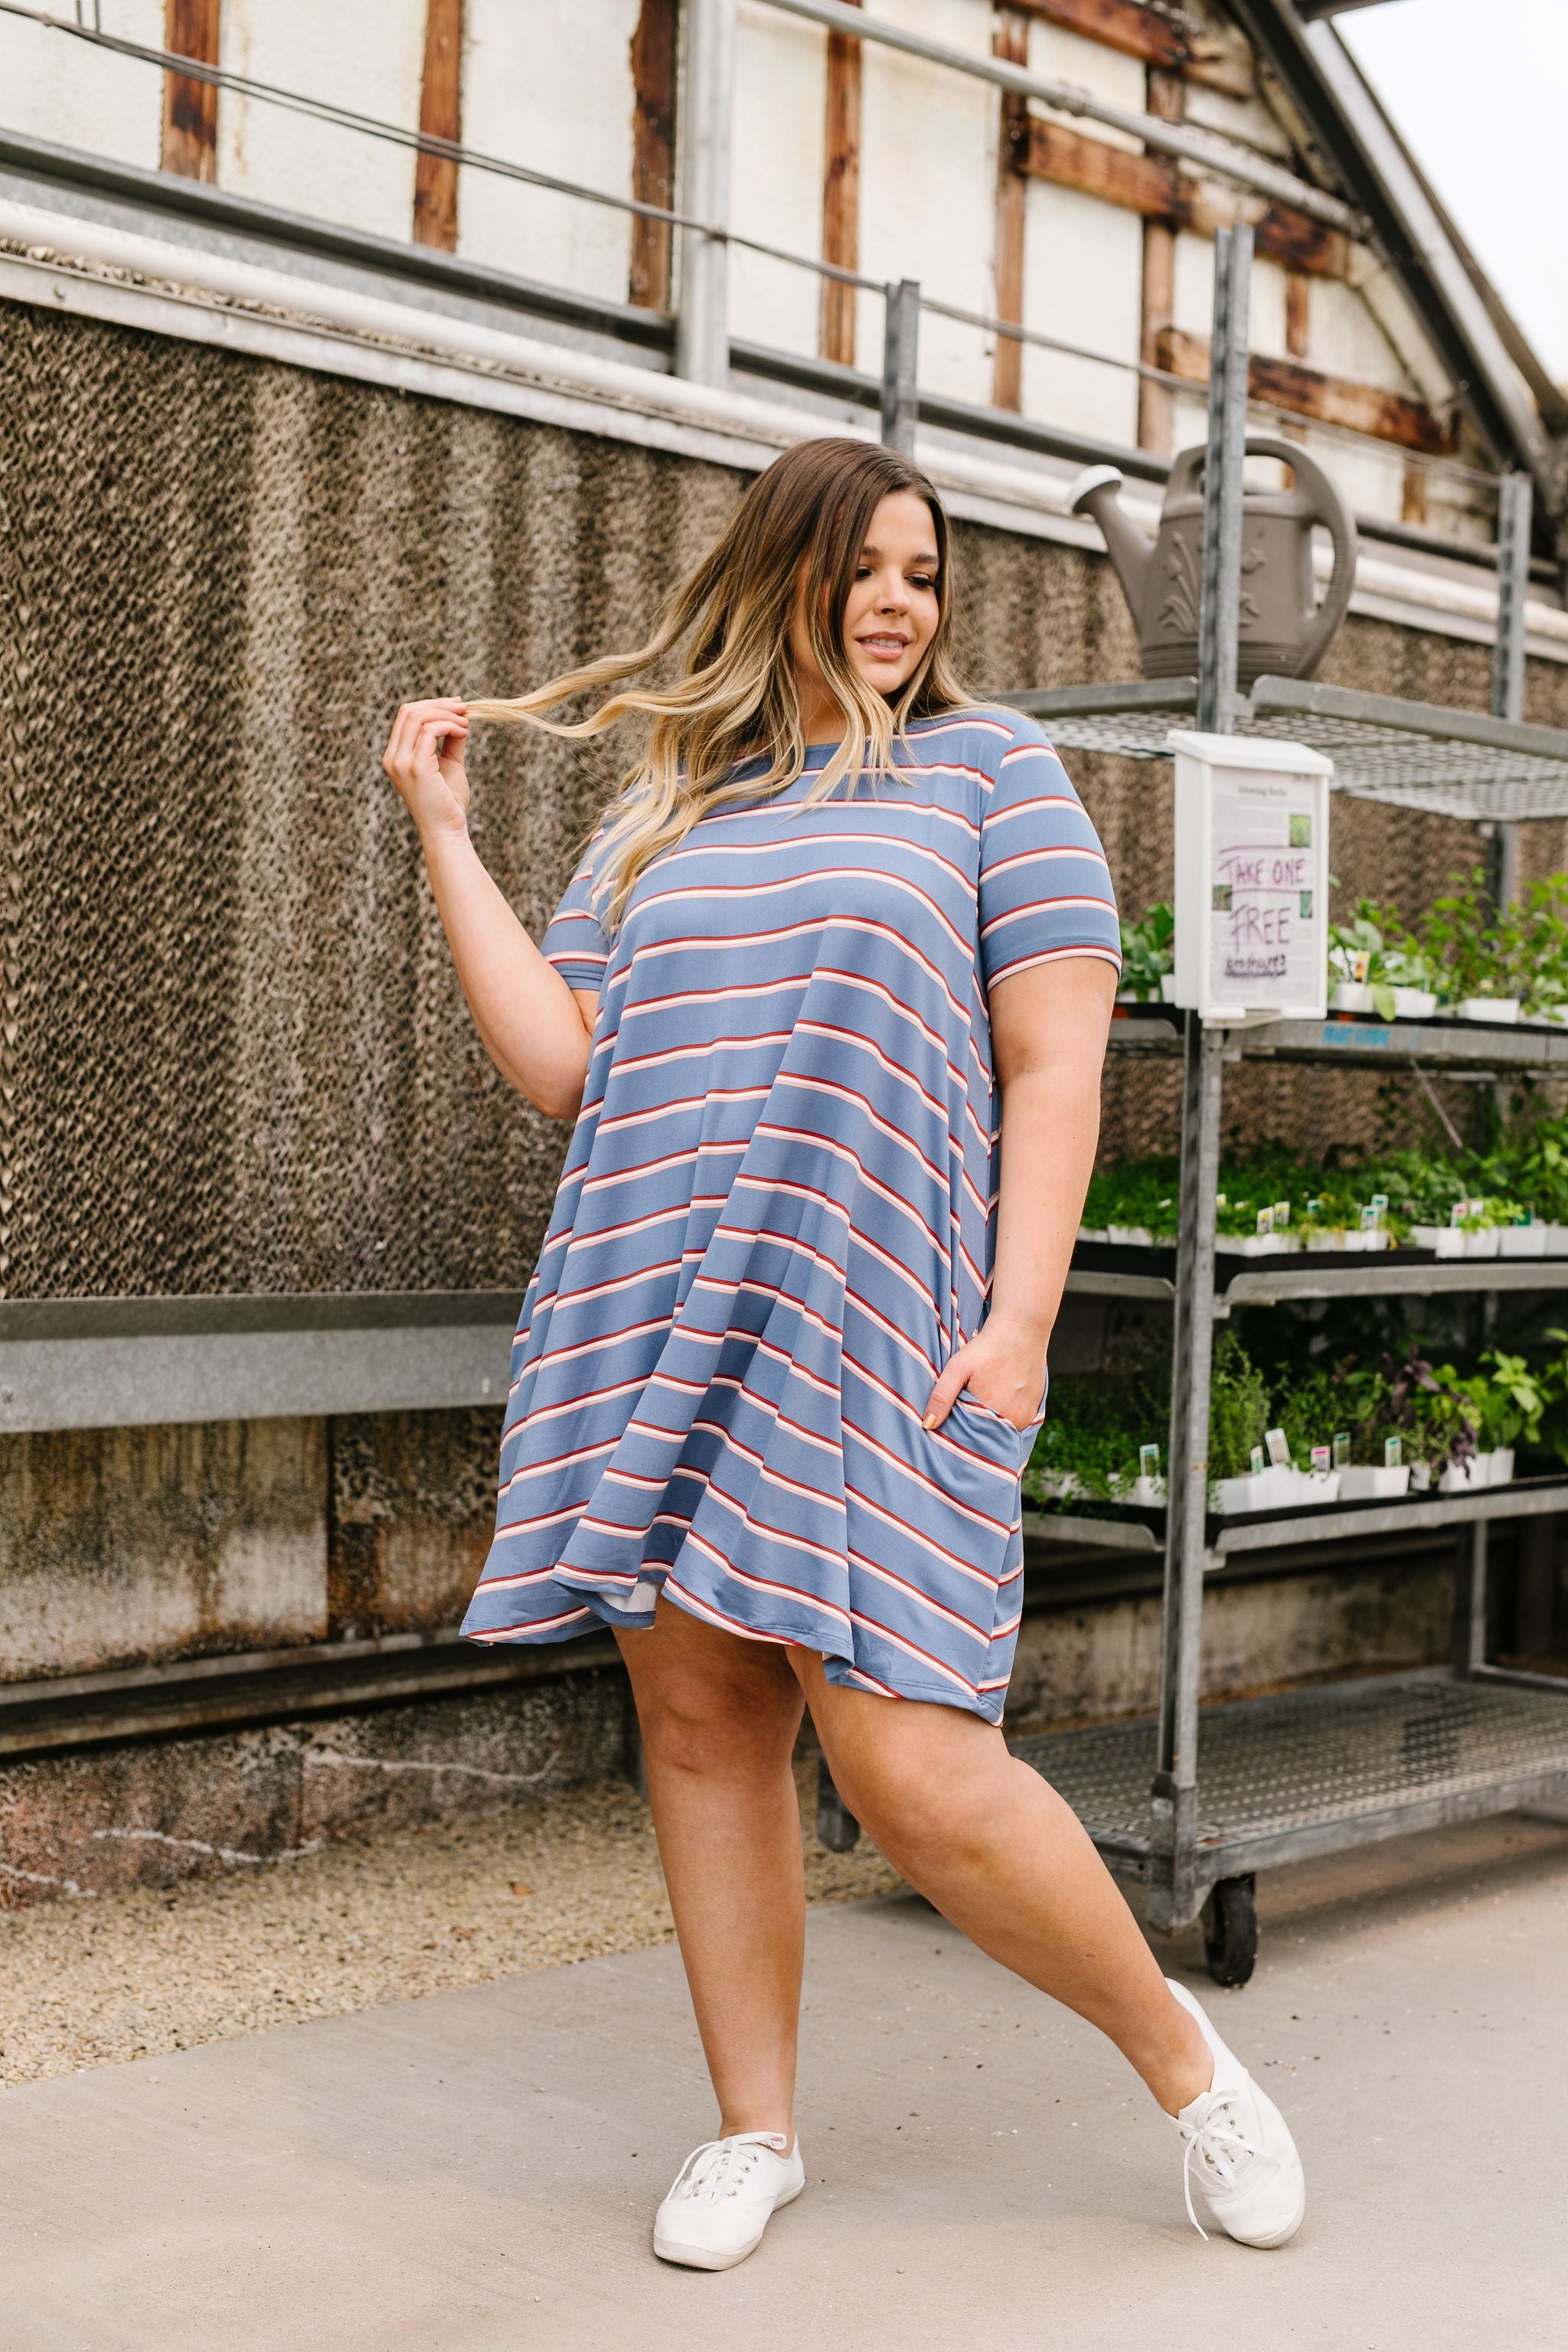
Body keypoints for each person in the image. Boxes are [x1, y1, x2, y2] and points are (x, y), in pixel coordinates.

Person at [381, 436, 1304, 2272]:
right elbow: (568, 1073)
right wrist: (445, 840)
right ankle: (755, 2129)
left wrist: (1021, 1320)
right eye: (866, 566)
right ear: (780, 571)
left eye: (925, 573)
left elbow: (1055, 1065)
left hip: (879, 1330)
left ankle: (1188, 2065)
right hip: (651, 1306)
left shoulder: (992, 776)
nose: (899, 602)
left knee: (915, 1770)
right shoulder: (666, 807)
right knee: (704, 1726)